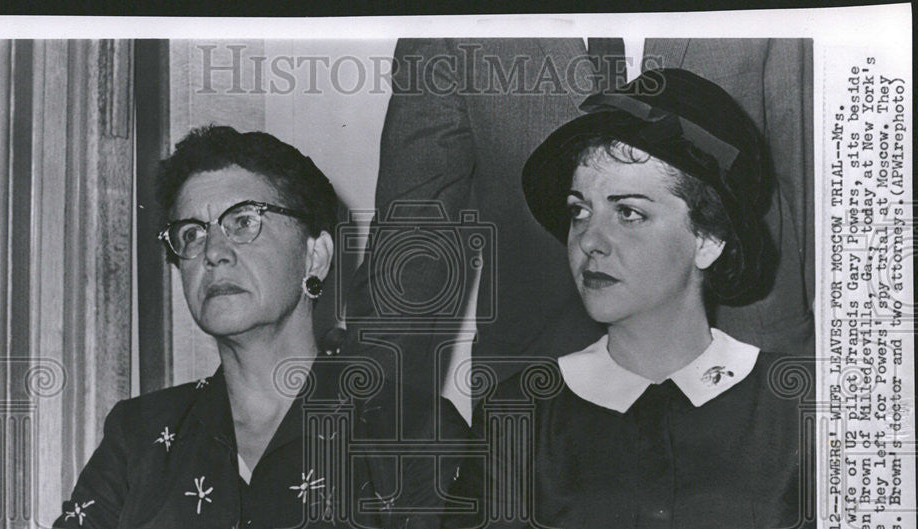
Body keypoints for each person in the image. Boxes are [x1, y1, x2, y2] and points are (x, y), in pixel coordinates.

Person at [0, 127, 460, 529]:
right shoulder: (141, 434)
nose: (213, 252)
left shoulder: (411, 430)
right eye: (191, 234)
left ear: (316, 256)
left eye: (245, 221)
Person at [441, 68, 817, 529]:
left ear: (708, 239)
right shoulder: (519, 414)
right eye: (580, 209)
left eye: (630, 212)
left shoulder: (811, 406)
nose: (590, 239)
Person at [345, 38, 812, 417]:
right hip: (538, 385)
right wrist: (359, 414)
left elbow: (815, 187)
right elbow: (413, 236)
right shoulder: (452, 25)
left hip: (751, 371)